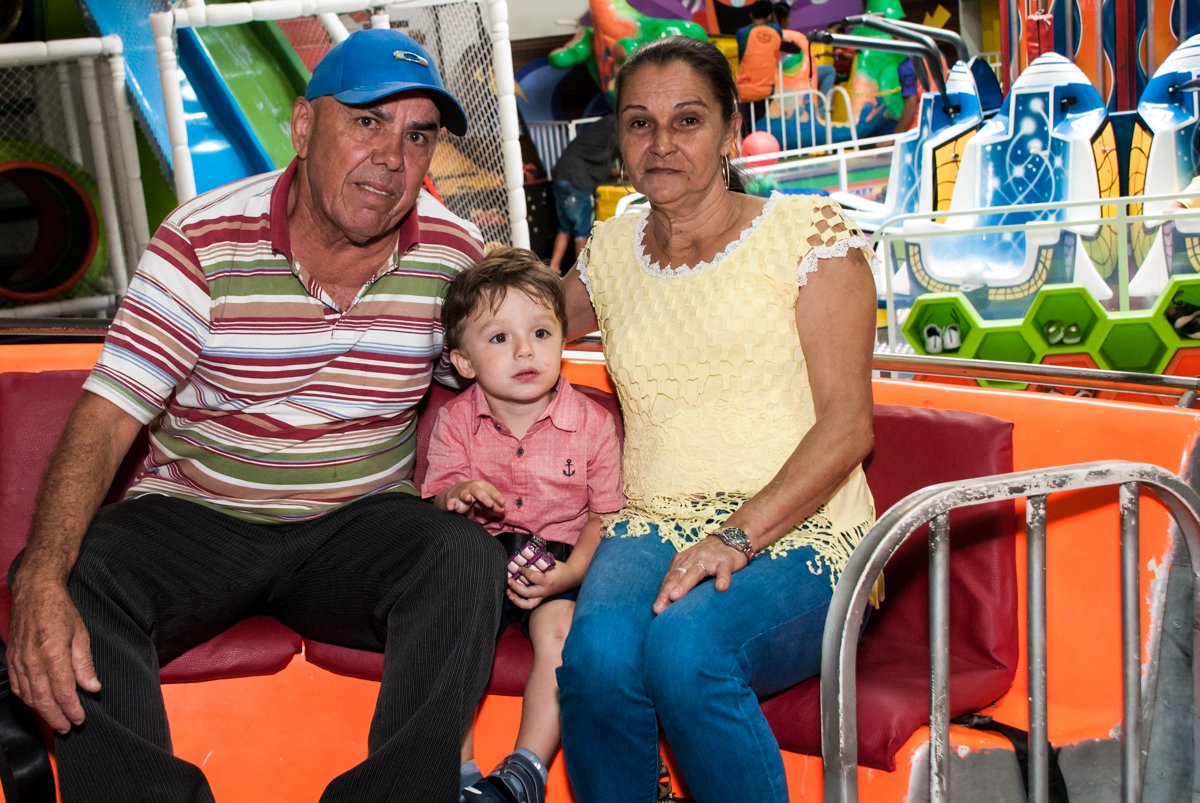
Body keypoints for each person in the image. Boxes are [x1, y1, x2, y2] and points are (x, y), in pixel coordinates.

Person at [5, 28, 507, 803]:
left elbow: (502, 370)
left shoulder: (453, 254)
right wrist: (39, 576)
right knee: (76, 575)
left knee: (462, 557)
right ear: (303, 127)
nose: (392, 157)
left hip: (360, 520)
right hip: (201, 516)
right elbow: (106, 420)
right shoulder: (201, 239)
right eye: (367, 122)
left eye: (419, 136)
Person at [556, 35, 878, 803]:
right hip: (652, 522)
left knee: (688, 650)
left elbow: (848, 426)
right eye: (639, 123)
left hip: (807, 527)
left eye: (688, 120)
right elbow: (509, 325)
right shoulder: (607, 253)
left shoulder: (810, 237)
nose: (661, 143)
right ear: (619, 141)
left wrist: (735, 535)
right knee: (595, 664)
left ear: (732, 130)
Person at [422, 248, 625, 803]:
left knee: (561, 634)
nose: (524, 351)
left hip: (559, 561)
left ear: (564, 339)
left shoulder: (592, 424)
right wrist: (458, 495)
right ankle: (460, 777)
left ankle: (525, 771)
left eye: (540, 332)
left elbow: (606, 513)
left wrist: (571, 574)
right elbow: (436, 501)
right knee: (451, 627)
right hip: (481, 559)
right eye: (498, 339)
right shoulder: (455, 422)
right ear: (463, 362)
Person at [548, 115, 616, 274]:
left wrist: (620, 173)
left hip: (561, 175)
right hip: (577, 180)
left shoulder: (604, 125)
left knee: (565, 227)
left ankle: (553, 269)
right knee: (582, 230)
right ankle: (584, 276)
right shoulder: (619, 127)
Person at [735, 0, 801, 132]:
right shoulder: (776, 30)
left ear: (751, 14)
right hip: (766, 92)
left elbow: (742, 57)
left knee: (742, 127)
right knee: (749, 125)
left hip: (743, 91)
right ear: (771, 15)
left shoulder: (742, 33)